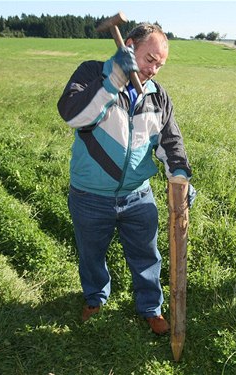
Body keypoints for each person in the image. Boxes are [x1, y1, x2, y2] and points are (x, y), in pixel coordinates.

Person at [57, 22, 195, 334]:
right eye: (150, 60)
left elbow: (170, 143)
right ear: (129, 45)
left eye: (160, 64)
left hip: (138, 196)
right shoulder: (92, 73)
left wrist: (181, 179)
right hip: (90, 195)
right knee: (91, 253)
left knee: (147, 255)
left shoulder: (157, 96)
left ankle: (150, 307)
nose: (154, 70)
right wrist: (115, 77)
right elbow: (74, 116)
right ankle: (95, 297)